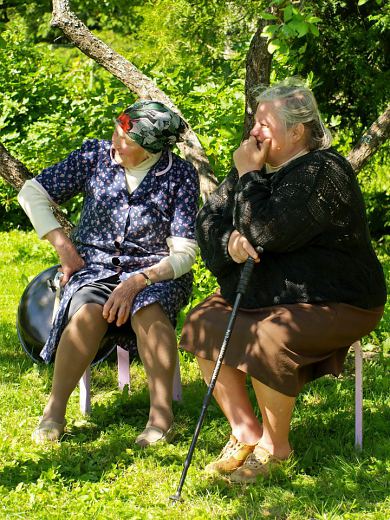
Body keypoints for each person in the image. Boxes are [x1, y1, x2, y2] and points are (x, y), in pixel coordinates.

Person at [180, 79, 386, 483]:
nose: (254, 132)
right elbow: (208, 221)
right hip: (268, 293)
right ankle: (245, 433)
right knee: (201, 321)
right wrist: (230, 244)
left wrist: (248, 182)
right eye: (255, 122)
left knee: (269, 336)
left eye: (264, 124)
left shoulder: (325, 171)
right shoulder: (254, 168)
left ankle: (276, 449)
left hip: (335, 300)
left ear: (297, 131)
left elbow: (270, 230)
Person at [18, 100, 199, 446]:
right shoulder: (94, 157)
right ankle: (54, 412)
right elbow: (31, 192)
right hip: (94, 267)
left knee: (149, 310)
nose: (115, 142)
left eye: (125, 140)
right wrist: (63, 245)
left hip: (154, 271)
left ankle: (161, 418)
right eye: (115, 131)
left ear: (148, 151)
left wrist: (139, 280)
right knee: (87, 312)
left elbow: (185, 253)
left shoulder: (180, 176)